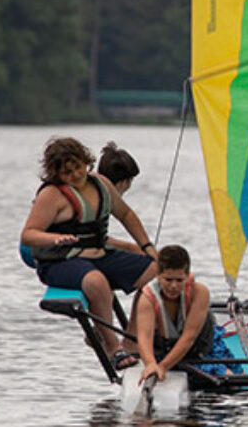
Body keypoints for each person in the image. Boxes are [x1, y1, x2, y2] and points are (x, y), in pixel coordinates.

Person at [20, 137, 159, 369]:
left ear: (86, 161)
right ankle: (114, 348)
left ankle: (132, 340)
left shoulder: (101, 184)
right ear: (56, 174)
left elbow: (126, 216)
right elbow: (29, 234)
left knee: (156, 267)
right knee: (96, 281)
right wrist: (54, 238)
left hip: (98, 255)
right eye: (67, 172)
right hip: (60, 262)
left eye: (78, 166)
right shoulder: (51, 196)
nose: (75, 174)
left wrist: (148, 248)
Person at [136, 245, 241, 383]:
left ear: (187, 276)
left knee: (231, 376)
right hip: (166, 348)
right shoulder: (147, 299)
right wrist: (151, 364)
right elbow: (144, 336)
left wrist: (163, 367)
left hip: (200, 348)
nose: (173, 286)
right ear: (158, 275)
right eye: (168, 279)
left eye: (179, 280)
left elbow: (189, 337)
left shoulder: (200, 292)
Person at [96, 141, 145, 255]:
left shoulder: (97, 193)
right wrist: (132, 247)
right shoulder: (100, 200)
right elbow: (94, 241)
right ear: (124, 182)